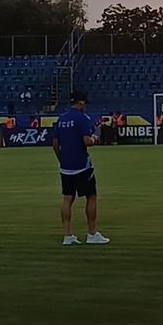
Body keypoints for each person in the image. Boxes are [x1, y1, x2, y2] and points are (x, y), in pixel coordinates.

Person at [51, 90, 109, 246]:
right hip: (82, 165)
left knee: (67, 199)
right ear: (81, 102)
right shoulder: (83, 118)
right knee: (91, 196)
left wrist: (62, 160)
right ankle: (91, 234)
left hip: (66, 167)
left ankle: (67, 235)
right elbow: (87, 141)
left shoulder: (61, 119)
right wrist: (95, 139)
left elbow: (55, 144)